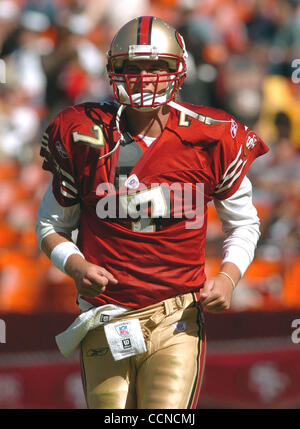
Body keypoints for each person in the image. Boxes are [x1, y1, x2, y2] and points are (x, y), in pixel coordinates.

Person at [35, 16, 269, 409]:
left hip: (177, 315)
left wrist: (229, 277)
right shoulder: (82, 133)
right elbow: (50, 226)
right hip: (107, 314)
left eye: (156, 66)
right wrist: (75, 267)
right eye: (132, 67)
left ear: (177, 69)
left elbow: (244, 222)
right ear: (114, 71)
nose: (144, 77)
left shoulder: (212, 136)